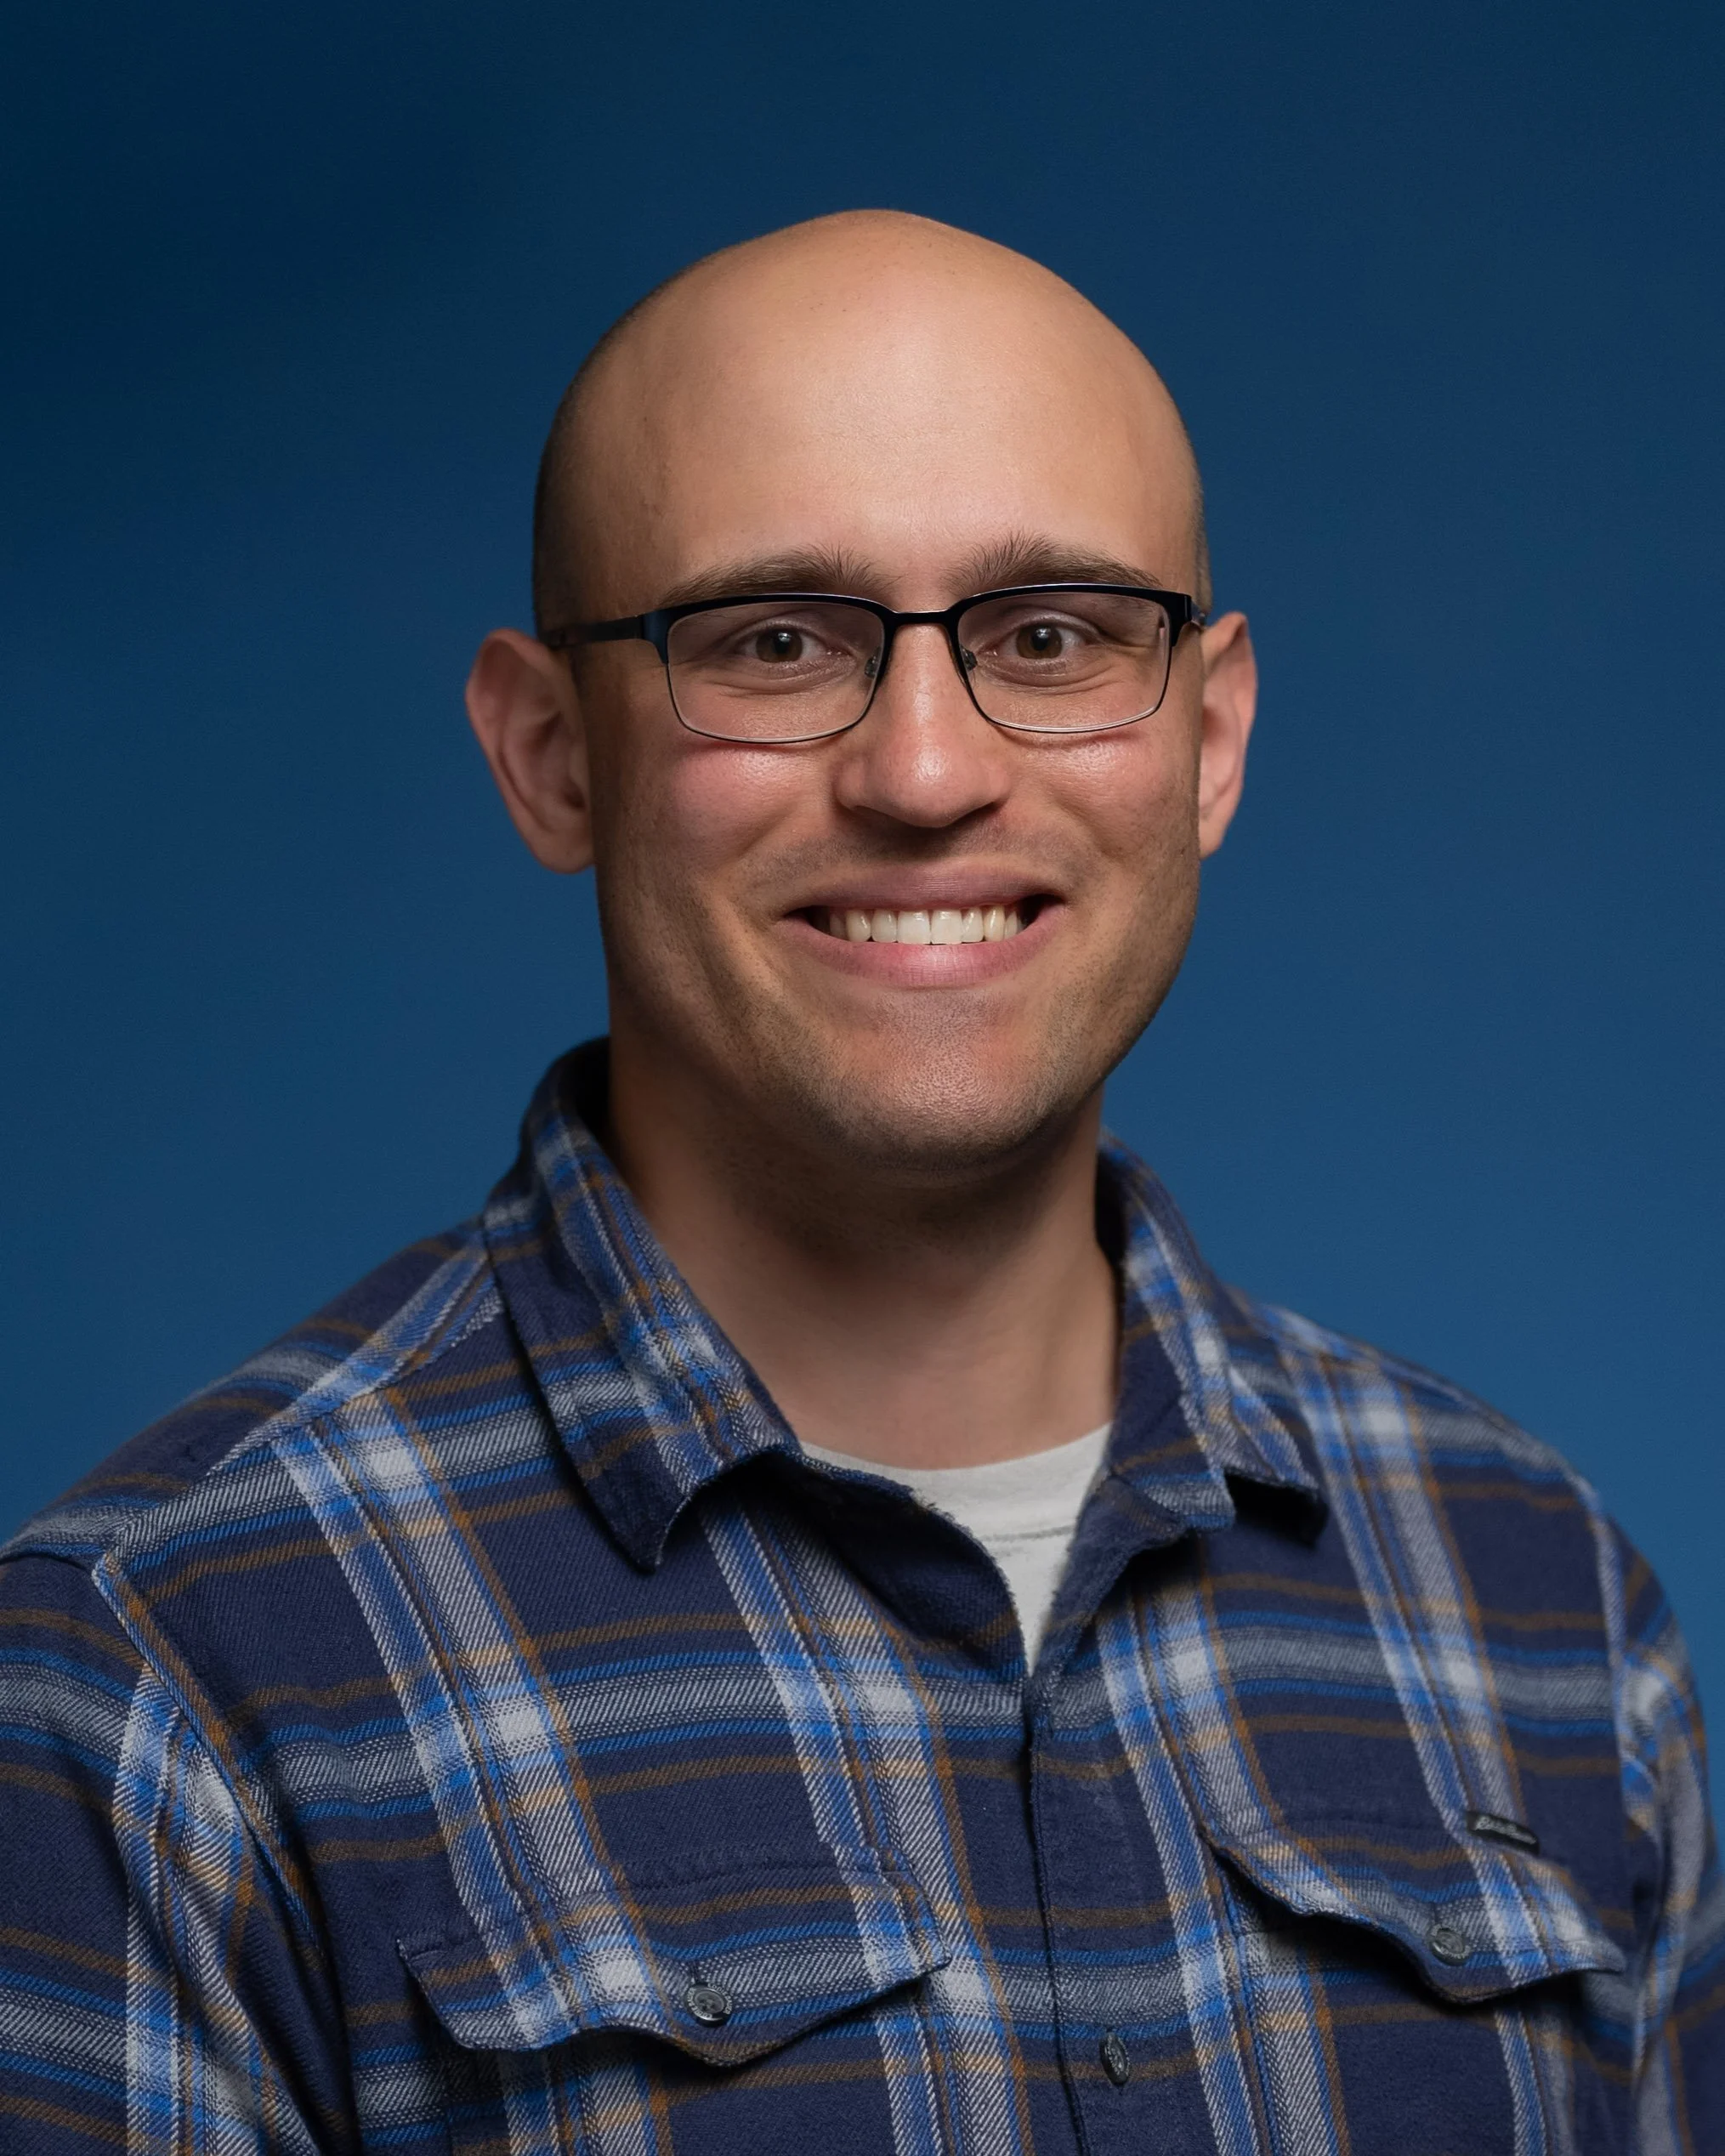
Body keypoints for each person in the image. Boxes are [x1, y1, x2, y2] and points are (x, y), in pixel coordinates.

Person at [0, 212, 1716, 2156]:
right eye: (777, 641)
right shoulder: (160, 1678)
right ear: (553, 755)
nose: (923, 768)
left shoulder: (1543, 1608)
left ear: (1211, 739)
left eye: (1051, 637)